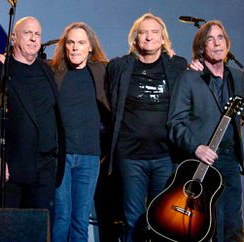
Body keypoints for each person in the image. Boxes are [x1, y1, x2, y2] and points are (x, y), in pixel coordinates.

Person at [106, 12, 187, 242]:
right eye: (143, 32)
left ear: (163, 39)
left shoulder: (177, 66)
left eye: (154, 32)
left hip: (165, 156)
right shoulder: (119, 67)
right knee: (133, 218)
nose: (149, 37)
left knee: (162, 220)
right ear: (135, 38)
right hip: (130, 156)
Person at [0, 16, 63, 223]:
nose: (34, 39)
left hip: (45, 166)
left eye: (37, 34)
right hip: (12, 165)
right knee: (7, 227)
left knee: (40, 227)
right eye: (27, 33)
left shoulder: (46, 69)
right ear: (14, 38)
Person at [168, 20, 244, 242]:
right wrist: (197, 148)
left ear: (227, 44)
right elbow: (175, 124)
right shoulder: (189, 77)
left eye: (220, 38)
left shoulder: (237, 77)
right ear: (202, 48)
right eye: (210, 39)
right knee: (208, 225)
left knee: (233, 223)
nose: (217, 44)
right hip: (203, 163)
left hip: (230, 160)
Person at [49, 22, 110, 242]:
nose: (75, 47)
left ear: (90, 47)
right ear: (65, 46)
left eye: (81, 43)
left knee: (80, 220)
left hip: (90, 156)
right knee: (61, 218)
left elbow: (133, 63)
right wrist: (2, 60)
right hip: (61, 156)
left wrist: (167, 54)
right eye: (71, 42)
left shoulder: (103, 70)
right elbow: (25, 66)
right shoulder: (53, 71)